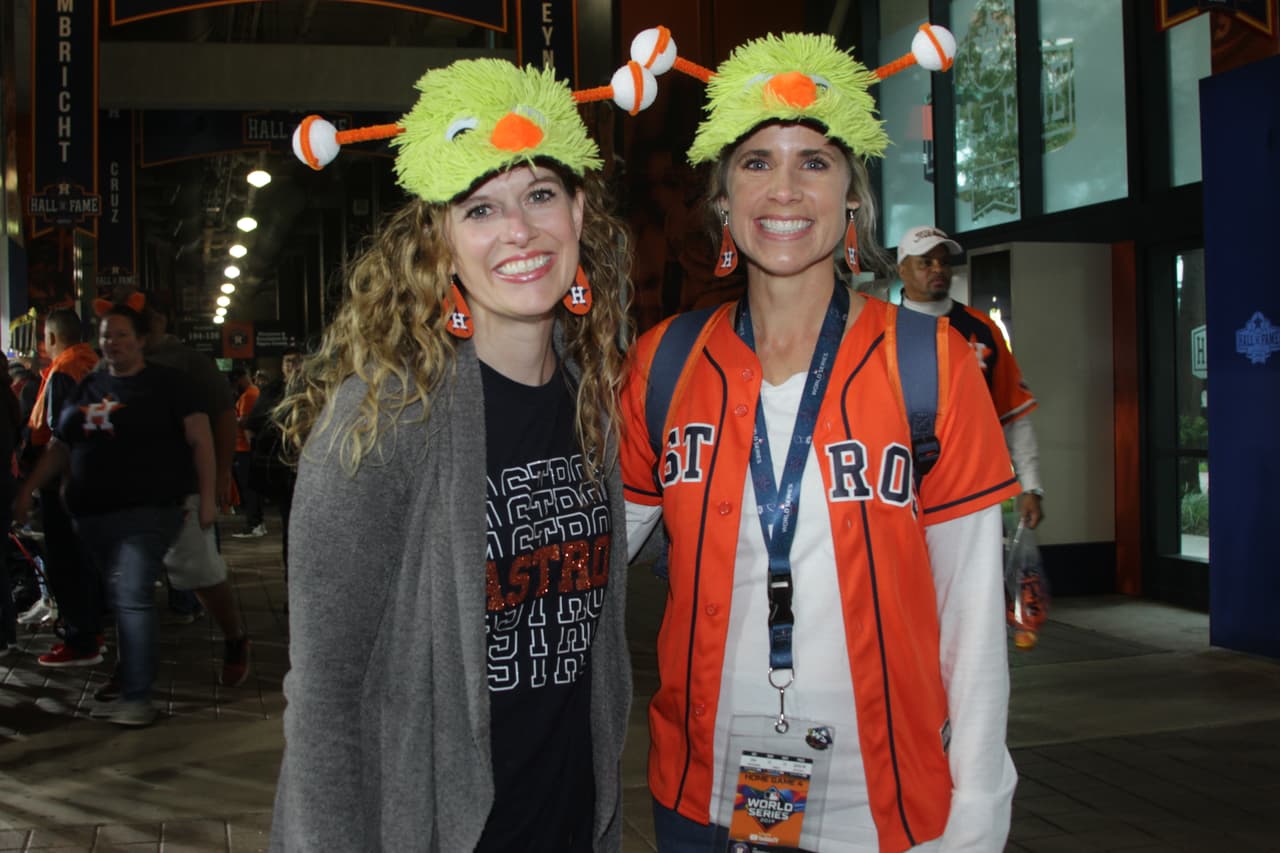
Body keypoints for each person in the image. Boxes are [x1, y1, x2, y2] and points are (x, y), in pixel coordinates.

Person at [620, 32, 1019, 852]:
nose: (785, 188)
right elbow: (582, 559)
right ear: (722, 200)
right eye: (756, 161)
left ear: (853, 200)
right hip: (698, 799)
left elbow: (973, 614)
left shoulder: (932, 364)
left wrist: (979, 806)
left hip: (885, 809)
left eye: (814, 160)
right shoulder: (664, 363)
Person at [270, 59, 633, 851]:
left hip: (570, 826)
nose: (519, 231)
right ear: (441, 242)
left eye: (541, 194)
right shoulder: (384, 419)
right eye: (481, 208)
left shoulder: (593, 401)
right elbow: (326, 694)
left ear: (578, 210)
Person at [14, 305, 217, 727]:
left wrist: (210, 498)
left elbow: (201, 440)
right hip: (96, 518)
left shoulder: (168, 385)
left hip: (150, 511)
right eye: (107, 335)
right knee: (124, 598)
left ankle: (137, 697)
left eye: (122, 335)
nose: (113, 343)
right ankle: (129, 683)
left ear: (140, 340)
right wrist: (30, 488)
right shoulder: (90, 385)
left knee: (131, 595)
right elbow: (61, 443)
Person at [896, 226, 1044, 529]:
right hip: (904, 487)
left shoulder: (982, 328)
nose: (938, 269)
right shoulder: (883, 331)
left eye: (944, 262)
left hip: (975, 487)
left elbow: (1013, 413)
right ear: (902, 270)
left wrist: (1031, 486)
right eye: (925, 262)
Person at [25, 308, 103, 665]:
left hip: (64, 484)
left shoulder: (63, 371)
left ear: (53, 337)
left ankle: (80, 640)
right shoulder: (93, 365)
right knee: (85, 559)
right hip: (91, 476)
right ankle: (91, 632)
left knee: (66, 561)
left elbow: (61, 434)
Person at [245, 348, 302, 571]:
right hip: (282, 468)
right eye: (288, 361)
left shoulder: (314, 389)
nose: (292, 366)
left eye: (296, 361)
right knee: (290, 526)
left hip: (307, 467)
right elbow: (253, 424)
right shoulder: (272, 391)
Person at [229, 368, 264, 537]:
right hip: (247, 448)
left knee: (248, 488)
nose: (235, 386)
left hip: (244, 449)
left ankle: (254, 524)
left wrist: (230, 419)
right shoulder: (254, 392)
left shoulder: (248, 395)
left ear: (242, 378)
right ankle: (257, 523)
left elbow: (245, 422)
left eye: (236, 382)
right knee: (251, 488)